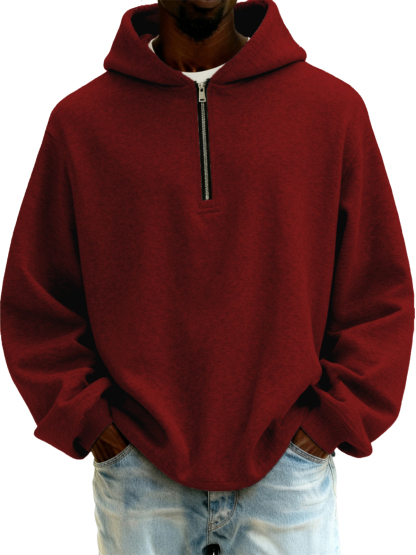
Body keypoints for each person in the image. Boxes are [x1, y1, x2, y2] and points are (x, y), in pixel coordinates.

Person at [1, 0, 414, 553]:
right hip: (139, 478)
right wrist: (94, 426)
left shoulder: (330, 111)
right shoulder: (82, 123)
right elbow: (37, 298)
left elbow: (378, 290)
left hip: (289, 476)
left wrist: (328, 426)